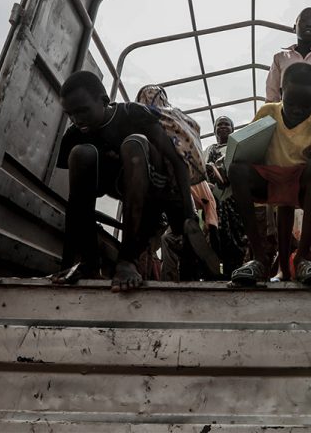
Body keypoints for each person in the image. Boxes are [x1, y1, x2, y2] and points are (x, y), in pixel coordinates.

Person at [53, 71, 204, 291]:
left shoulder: (132, 114)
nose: (77, 119)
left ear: (104, 101)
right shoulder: (75, 134)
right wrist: (68, 261)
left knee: (134, 143)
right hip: (122, 184)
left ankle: (128, 259)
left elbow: (177, 161)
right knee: (79, 154)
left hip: (161, 188)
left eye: (82, 111)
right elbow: (75, 204)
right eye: (70, 114)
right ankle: (88, 262)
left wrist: (189, 218)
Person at [228, 63, 311, 285]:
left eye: (306, 104)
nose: (297, 109)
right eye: (291, 102)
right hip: (268, 181)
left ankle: (303, 258)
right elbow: (248, 147)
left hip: (298, 185)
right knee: (236, 169)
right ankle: (258, 259)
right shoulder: (267, 112)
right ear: (281, 92)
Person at [135, 84, 220, 281]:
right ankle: (188, 274)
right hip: (177, 186)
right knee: (182, 231)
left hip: (151, 184)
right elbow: (185, 156)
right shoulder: (178, 117)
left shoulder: (140, 116)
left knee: (147, 233)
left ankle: (143, 273)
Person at [265, 7, 311, 122]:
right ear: (294, 28)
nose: (309, 24)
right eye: (304, 20)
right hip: (285, 124)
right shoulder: (280, 58)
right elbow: (272, 94)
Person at [204, 116, 247, 275]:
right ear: (214, 130)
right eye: (219, 124)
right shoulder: (208, 150)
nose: (222, 126)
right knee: (215, 234)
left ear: (232, 129)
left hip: (233, 197)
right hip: (212, 197)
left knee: (236, 234)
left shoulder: (238, 147)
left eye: (226, 124)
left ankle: (235, 269)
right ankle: (215, 272)